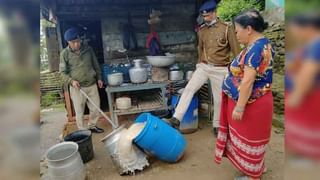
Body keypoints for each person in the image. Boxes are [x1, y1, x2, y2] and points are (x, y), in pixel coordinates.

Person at [214, 10, 274, 180]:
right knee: (254, 138)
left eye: (237, 29)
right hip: (258, 101)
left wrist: (239, 108)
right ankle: (257, 168)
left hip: (252, 105)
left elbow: (247, 82)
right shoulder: (263, 44)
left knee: (250, 139)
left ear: (248, 29)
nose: (235, 33)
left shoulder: (255, 49)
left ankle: (253, 175)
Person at [168, 0, 240, 136]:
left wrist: (236, 72)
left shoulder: (226, 28)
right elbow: (200, 48)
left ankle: (217, 125)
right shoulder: (202, 30)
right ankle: (177, 118)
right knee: (189, 88)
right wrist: (199, 63)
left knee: (219, 99)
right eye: (203, 16)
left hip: (221, 69)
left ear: (214, 13)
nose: (205, 18)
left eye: (207, 16)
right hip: (204, 67)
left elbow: (237, 51)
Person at [59, 27, 105, 133]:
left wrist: (99, 78)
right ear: (68, 42)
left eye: (78, 41)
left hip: (91, 84)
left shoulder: (88, 49)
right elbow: (62, 73)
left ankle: (92, 125)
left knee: (95, 108)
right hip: (77, 88)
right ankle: (82, 130)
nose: (76, 44)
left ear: (80, 39)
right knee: (79, 111)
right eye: (73, 42)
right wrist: (71, 81)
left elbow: (96, 64)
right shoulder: (64, 54)